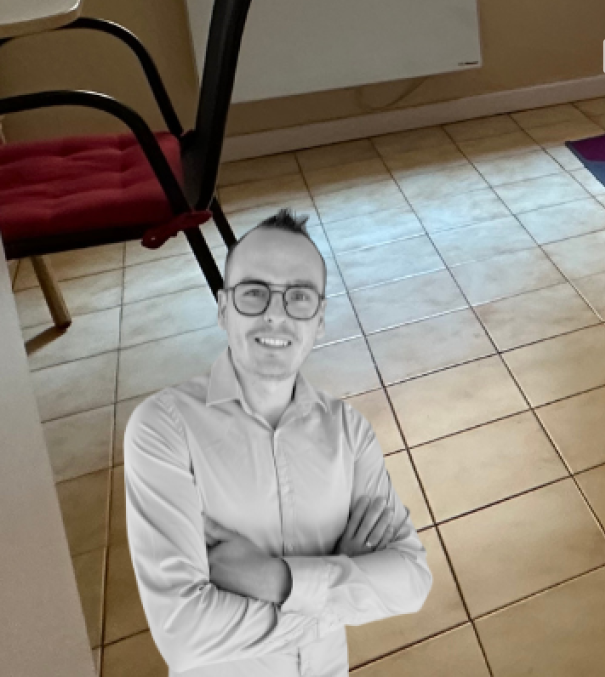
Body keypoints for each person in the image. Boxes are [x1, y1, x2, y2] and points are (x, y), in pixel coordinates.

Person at [123, 210, 432, 676]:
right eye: (254, 292)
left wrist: (278, 581)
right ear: (223, 309)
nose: (275, 314)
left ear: (320, 320)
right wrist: (341, 580)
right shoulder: (164, 428)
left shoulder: (349, 432)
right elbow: (184, 634)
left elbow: (411, 581)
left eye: (299, 297)